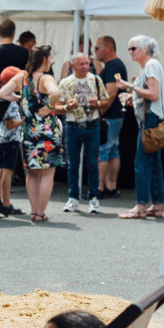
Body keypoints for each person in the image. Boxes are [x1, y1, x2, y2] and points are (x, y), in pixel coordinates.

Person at [0, 45, 63, 223]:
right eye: (50, 58)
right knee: (47, 173)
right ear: (44, 59)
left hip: (28, 131)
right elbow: (56, 92)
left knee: (32, 173)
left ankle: (34, 211)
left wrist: (21, 98)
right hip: (47, 131)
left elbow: (2, 93)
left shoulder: (21, 77)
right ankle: (41, 212)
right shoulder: (45, 78)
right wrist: (49, 106)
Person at [115, 36, 164, 220]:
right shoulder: (150, 66)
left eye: (133, 48)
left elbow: (153, 94)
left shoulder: (151, 65)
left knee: (142, 162)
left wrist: (129, 87)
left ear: (145, 48)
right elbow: (151, 94)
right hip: (151, 117)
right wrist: (133, 97)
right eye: (129, 49)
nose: (130, 52)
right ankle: (157, 206)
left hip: (150, 118)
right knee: (153, 163)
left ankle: (140, 205)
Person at [56, 53, 107, 213]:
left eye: (87, 63)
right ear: (73, 66)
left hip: (93, 124)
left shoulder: (96, 80)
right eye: (81, 64)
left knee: (92, 163)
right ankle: (73, 198)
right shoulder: (65, 83)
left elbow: (106, 100)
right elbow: (56, 106)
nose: (85, 67)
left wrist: (97, 103)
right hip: (73, 125)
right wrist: (67, 107)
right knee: (73, 164)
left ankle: (93, 197)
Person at [94, 36, 128, 199]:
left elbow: (111, 94)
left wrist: (99, 112)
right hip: (115, 115)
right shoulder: (114, 65)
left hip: (110, 116)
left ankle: (100, 187)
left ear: (108, 48)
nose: (95, 51)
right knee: (113, 149)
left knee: (104, 149)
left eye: (97, 48)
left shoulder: (114, 65)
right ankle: (111, 186)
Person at [0, 66, 25, 215]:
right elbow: (10, 124)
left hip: (1, 139)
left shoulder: (4, 98)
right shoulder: (10, 101)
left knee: (1, 170)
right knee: (8, 171)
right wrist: (24, 120)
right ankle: (6, 204)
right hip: (10, 139)